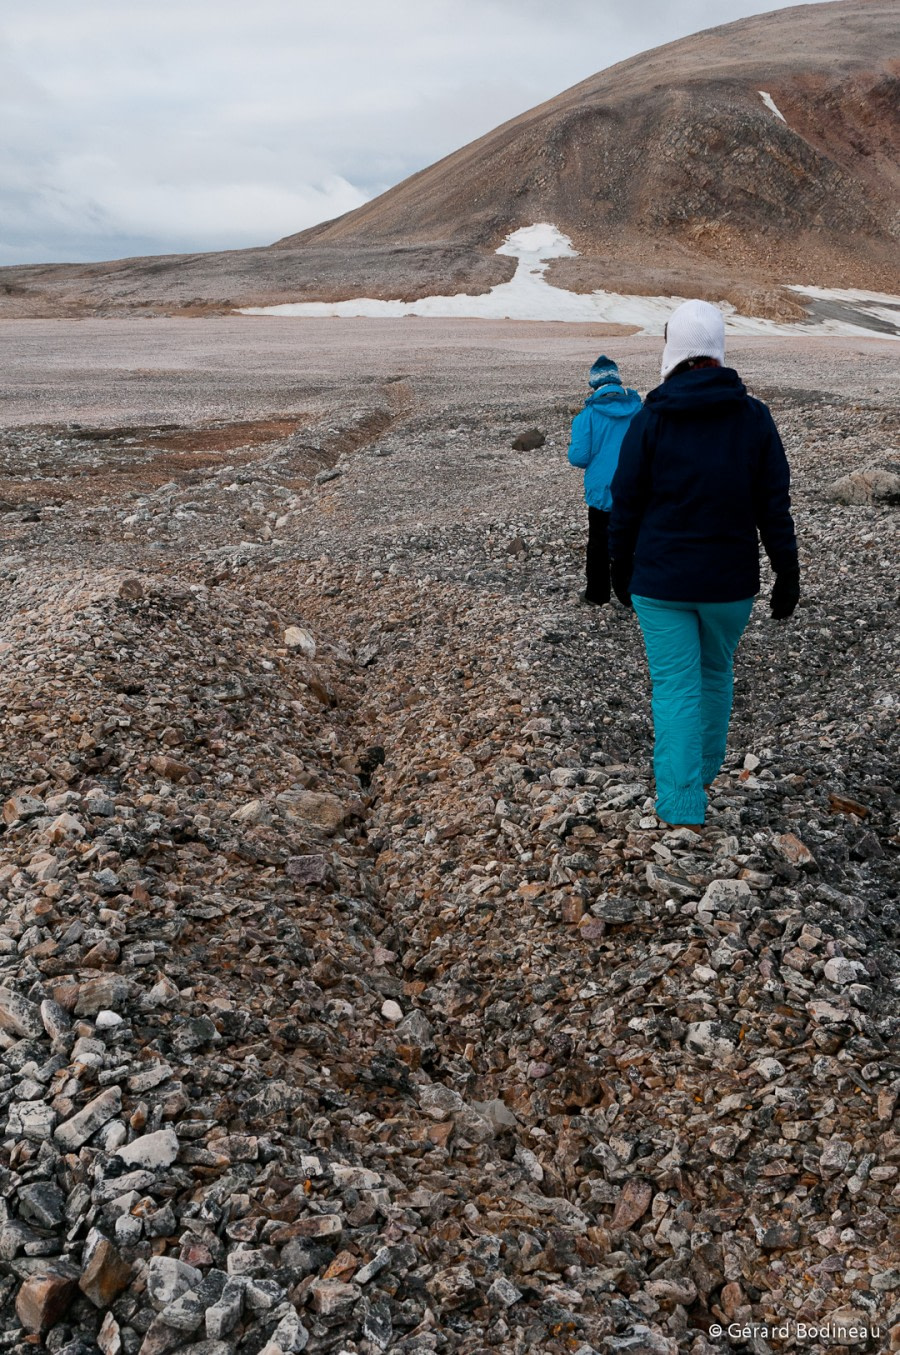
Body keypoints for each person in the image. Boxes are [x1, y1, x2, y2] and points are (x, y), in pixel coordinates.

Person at [608, 299, 799, 830]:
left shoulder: (651, 418)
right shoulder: (755, 418)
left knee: (673, 685)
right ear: (716, 348)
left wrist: (618, 566)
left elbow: (626, 501)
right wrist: (787, 571)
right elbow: (773, 505)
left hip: (660, 579)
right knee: (715, 673)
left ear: (674, 349)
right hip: (729, 583)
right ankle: (706, 773)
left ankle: (681, 801)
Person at [567, 355, 642, 605]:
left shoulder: (586, 417)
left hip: (602, 491)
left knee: (599, 543)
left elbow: (578, 457)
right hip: (635, 490)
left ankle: (597, 595)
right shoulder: (639, 411)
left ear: (594, 386)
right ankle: (629, 595)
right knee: (631, 542)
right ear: (617, 381)